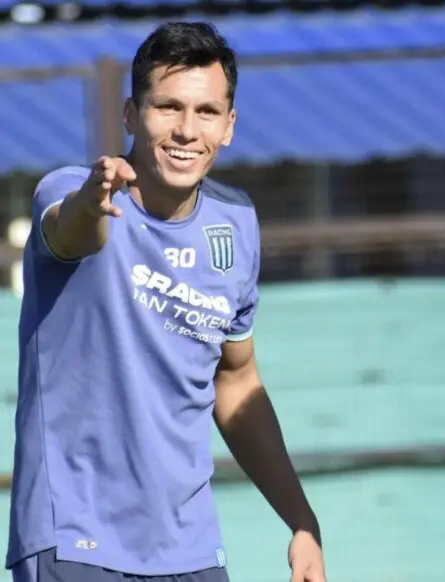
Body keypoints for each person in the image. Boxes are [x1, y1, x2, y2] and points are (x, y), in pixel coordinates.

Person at [6, 22, 326, 582]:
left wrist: (301, 521)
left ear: (229, 126)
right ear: (131, 115)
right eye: (167, 107)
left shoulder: (238, 223)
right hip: (75, 540)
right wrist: (91, 205)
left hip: (192, 551)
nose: (185, 130)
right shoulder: (69, 190)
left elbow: (237, 381)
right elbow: (73, 232)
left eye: (206, 112)